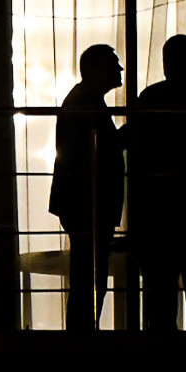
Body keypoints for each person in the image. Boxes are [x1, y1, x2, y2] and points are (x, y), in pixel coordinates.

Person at [128, 34, 186, 331]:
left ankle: (162, 346)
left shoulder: (151, 97)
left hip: (156, 211)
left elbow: (136, 148)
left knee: (159, 295)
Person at [45, 43, 124, 332]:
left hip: (81, 202)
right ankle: (83, 333)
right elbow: (99, 151)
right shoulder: (86, 103)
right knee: (90, 275)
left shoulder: (82, 99)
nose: (120, 69)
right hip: (87, 202)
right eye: (114, 64)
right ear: (96, 69)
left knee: (87, 274)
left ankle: (82, 332)